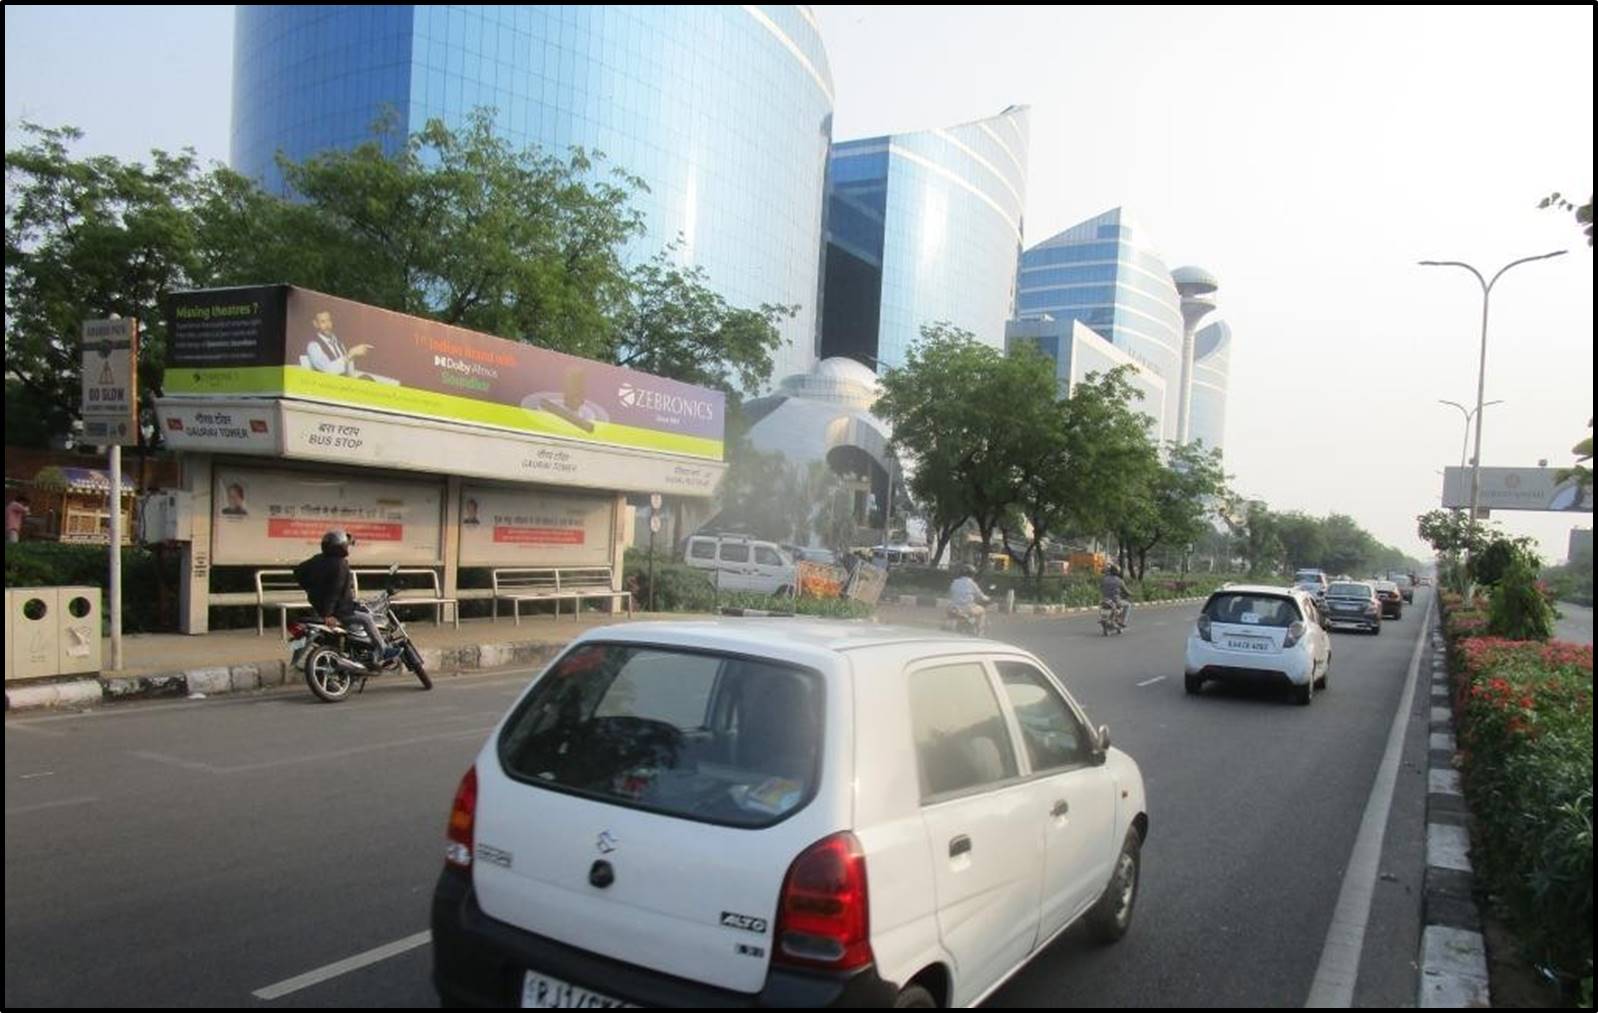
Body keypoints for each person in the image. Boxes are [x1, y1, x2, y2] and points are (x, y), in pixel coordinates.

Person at [292, 529, 399, 664]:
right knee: (367, 619)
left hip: (319, 607)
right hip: (339, 611)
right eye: (345, 544)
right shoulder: (340, 564)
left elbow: (298, 572)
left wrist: (311, 588)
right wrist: (328, 614)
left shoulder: (318, 559)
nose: (347, 546)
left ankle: (355, 652)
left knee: (358, 617)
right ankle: (383, 650)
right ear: (340, 546)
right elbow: (335, 591)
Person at [305, 309, 373, 377]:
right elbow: (327, 371)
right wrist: (350, 354)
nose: (327, 325)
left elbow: (349, 372)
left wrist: (353, 356)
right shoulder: (313, 346)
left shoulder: (340, 343)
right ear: (316, 324)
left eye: (329, 320)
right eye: (323, 322)